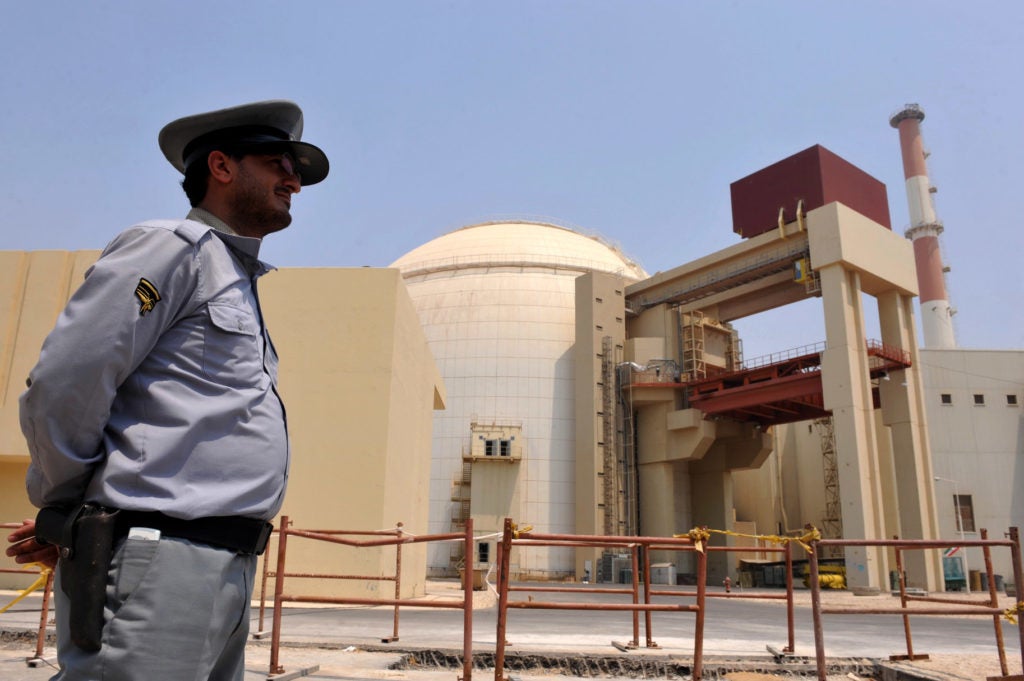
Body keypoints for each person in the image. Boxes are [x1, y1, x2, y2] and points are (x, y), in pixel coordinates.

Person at [4, 100, 329, 680]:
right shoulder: (173, 249)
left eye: (297, 170)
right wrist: (68, 510)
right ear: (222, 166)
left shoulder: (234, 278)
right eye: (277, 162)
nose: (294, 180)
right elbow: (66, 381)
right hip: (166, 554)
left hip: (222, 560)